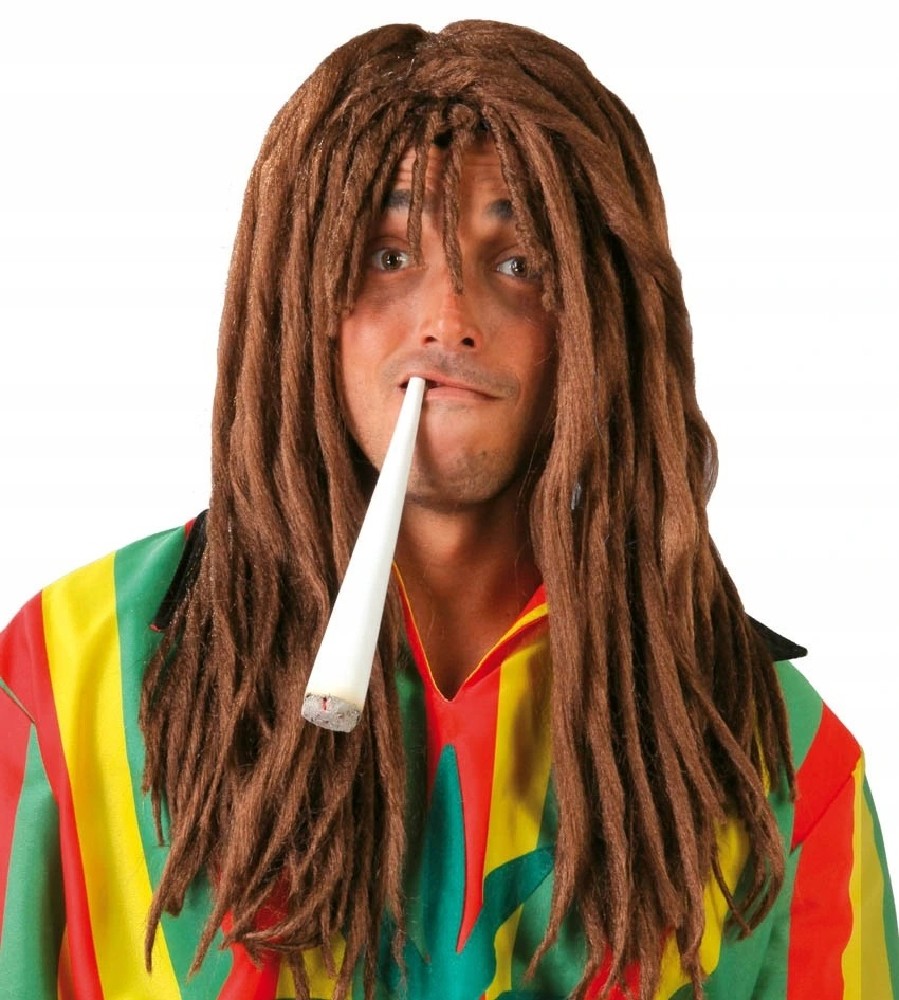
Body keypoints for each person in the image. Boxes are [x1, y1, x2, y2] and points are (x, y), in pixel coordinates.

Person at [0, 19, 895, 1000]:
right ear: (298, 296)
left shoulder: (773, 752)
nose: (447, 321)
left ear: (599, 322)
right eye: (388, 256)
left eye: (518, 264)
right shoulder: (67, 674)